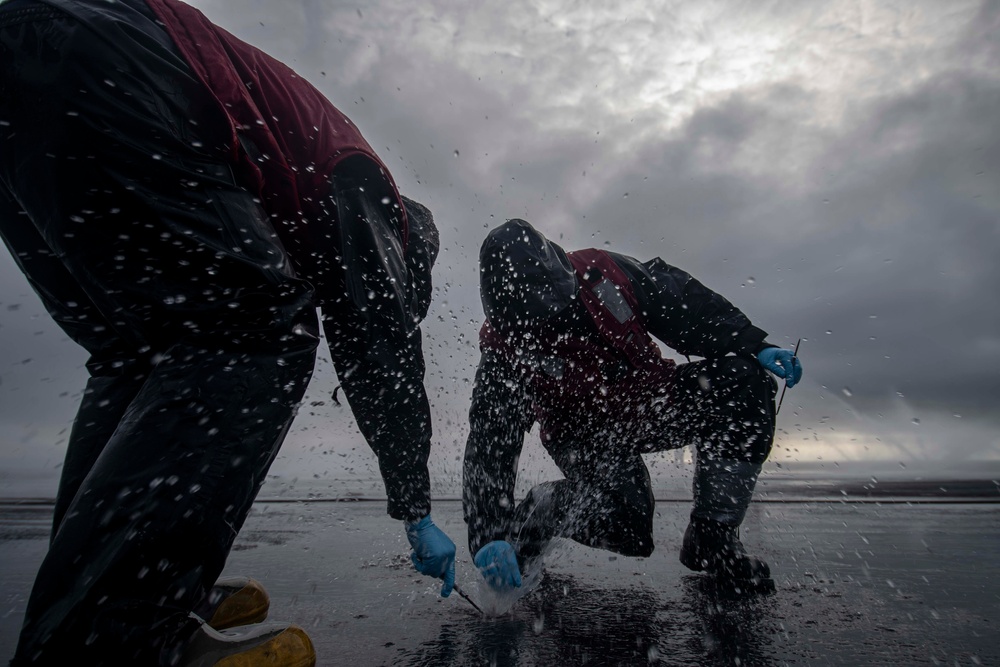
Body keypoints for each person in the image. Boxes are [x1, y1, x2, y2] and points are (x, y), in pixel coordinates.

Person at [0, 0, 456, 664]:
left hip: (36, 64)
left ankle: (109, 597)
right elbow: (377, 345)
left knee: (134, 354)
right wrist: (416, 509)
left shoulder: (312, 177)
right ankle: (114, 633)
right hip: (111, 62)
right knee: (259, 326)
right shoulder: (370, 192)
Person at [463, 219, 802, 595]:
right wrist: (488, 533)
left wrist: (754, 344)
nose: (547, 325)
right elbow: (491, 441)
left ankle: (714, 538)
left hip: (649, 401)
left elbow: (683, 305)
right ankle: (540, 510)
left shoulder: (604, 273)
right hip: (583, 436)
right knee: (629, 529)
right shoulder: (502, 350)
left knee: (744, 382)